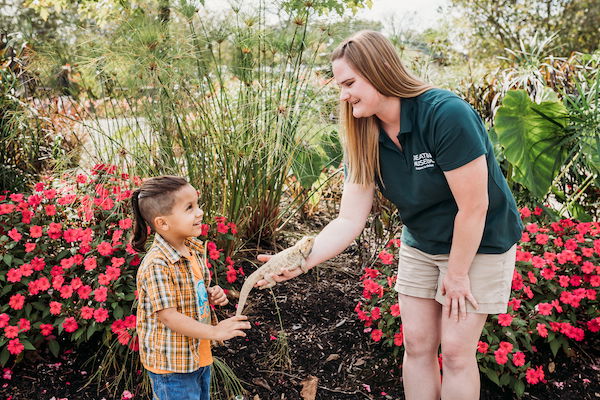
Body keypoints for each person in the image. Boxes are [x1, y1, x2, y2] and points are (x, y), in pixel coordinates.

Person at [255, 30, 523, 400]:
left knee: (458, 353)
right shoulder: (363, 130)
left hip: (479, 241)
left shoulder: (445, 115)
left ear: (380, 71)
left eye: (349, 83)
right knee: (416, 346)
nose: (343, 95)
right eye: (339, 86)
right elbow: (349, 219)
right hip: (423, 241)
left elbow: (474, 207)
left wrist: (458, 274)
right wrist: (301, 261)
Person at [131, 176, 251, 400]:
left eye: (197, 204)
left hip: (196, 354)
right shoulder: (157, 264)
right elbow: (169, 317)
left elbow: (193, 291)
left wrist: (211, 294)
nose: (200, 212)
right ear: (163, 223)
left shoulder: (191, 250)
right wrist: (215, 332)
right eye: (189, 208)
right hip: (172, 366)